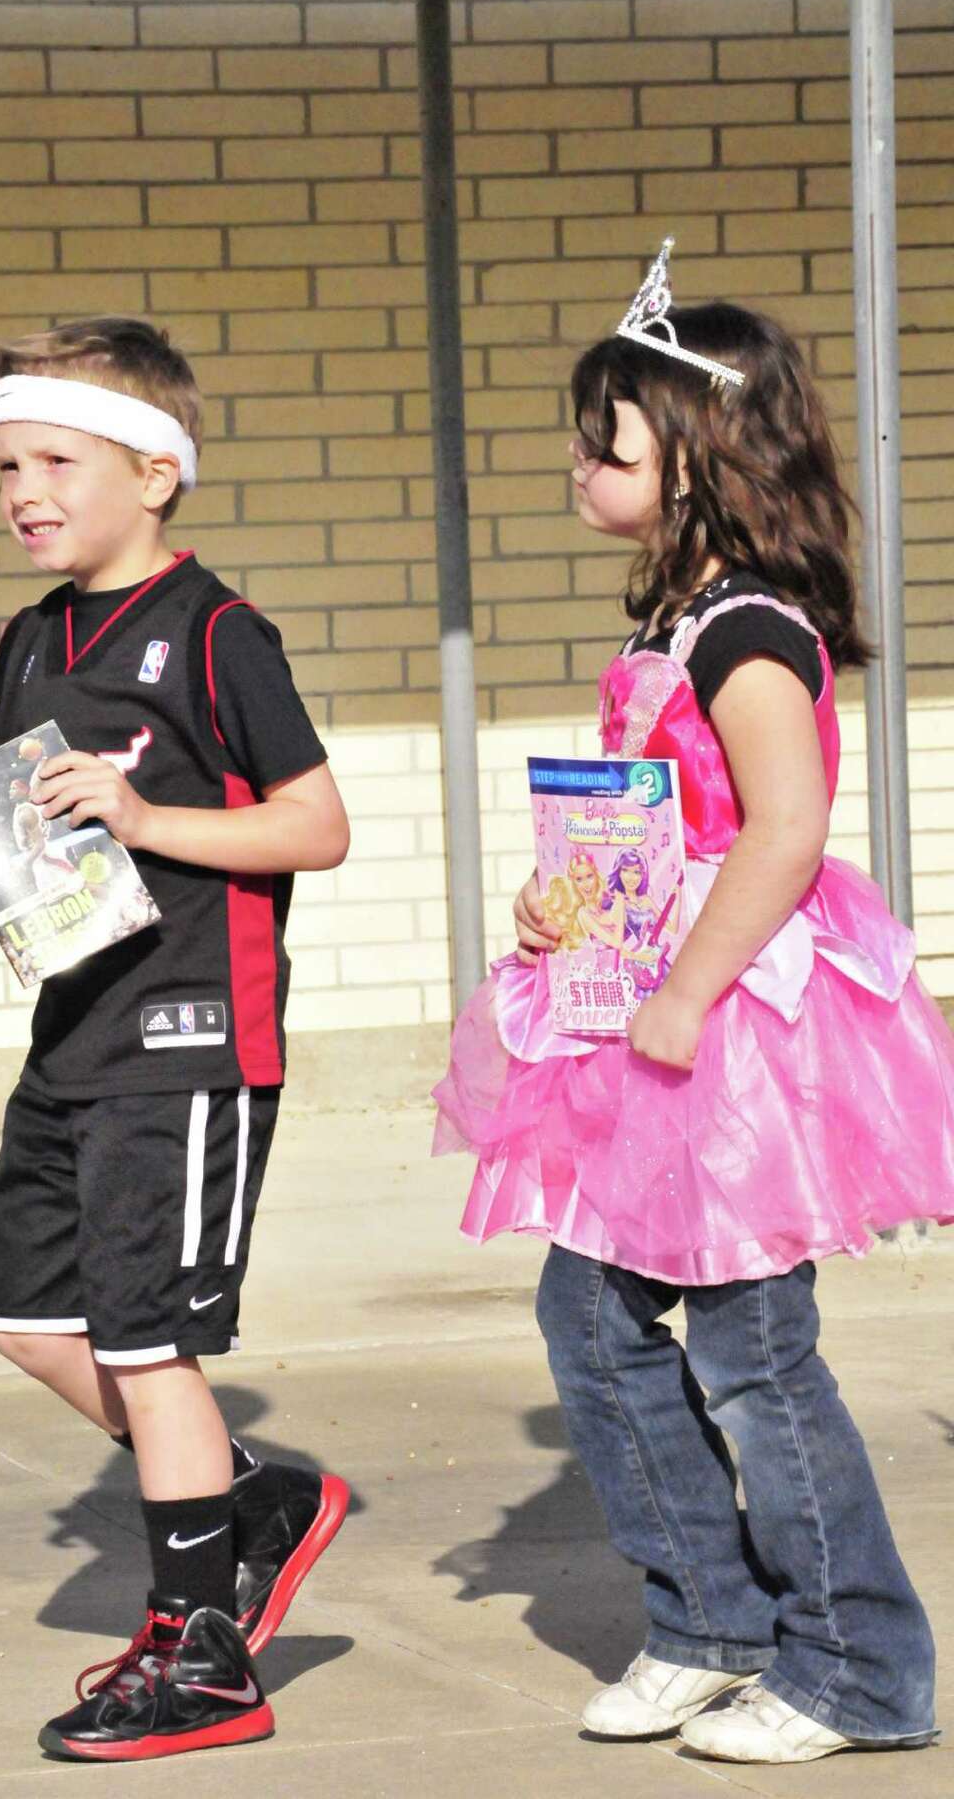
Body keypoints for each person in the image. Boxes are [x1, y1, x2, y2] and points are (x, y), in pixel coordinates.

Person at [434, 241, 953, 1765]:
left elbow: (783, 827)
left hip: (724, 1028)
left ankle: (859, 1662)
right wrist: (561, 909)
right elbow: (650, 823)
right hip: (639, 1005)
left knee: (747, 1341)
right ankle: (710, 1620)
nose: (579, 468)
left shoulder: (748, 630)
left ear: (700, 455)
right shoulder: (671, 621)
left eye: (605, 442)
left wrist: (684, 987)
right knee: (589, 1314)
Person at [0, 317, 351, 1763]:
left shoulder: (222, 633)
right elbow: (42, 826)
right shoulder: (31, 637)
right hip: (74, 1032)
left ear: (156, 470)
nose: (23, 491)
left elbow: (316, 825)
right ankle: (251, 1498)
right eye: (4, 467)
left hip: (189, 1034)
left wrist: (148, 815)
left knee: (146, 1340)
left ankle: (204, 1650)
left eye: (53, 459)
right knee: (28, 1321)